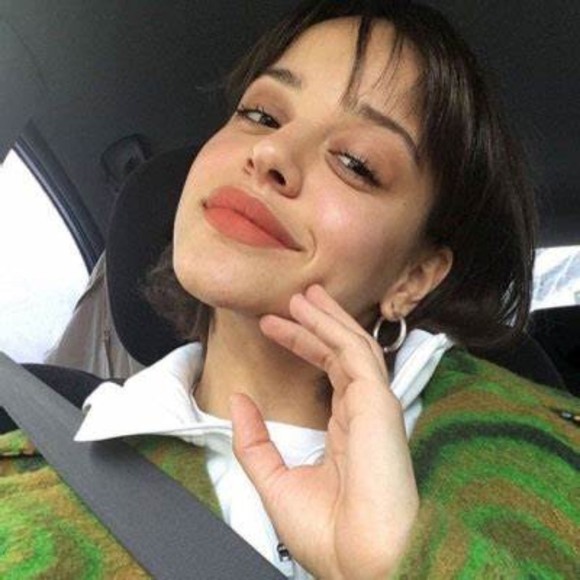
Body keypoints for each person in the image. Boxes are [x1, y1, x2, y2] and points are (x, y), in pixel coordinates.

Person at [1, 1, 578, 578]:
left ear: (413, 277)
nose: (271, 153)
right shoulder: (28, 482)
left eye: (355, 162)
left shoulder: (549, 456)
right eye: (261, 114)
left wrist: (399, 563)